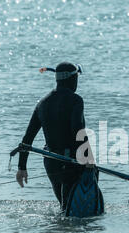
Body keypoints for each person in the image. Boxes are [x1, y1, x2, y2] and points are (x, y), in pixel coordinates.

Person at [16, 62, 92, 210]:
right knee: (72, 210)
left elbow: (27, 138)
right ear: (73, 79)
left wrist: (22, 167)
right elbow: (78, 131)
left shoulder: (43, 103)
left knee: (64, 207)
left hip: (51, 163)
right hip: (71, 162)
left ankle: (59, 231)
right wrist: (89, 159)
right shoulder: (75, 100)